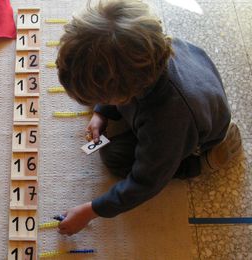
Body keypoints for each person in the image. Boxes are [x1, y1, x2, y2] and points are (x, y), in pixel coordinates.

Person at [55, 0, 243, 236]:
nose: (103, 101)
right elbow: (116, 76)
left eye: (107, 97)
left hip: (194, 134)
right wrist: (102, 111)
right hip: (186, 95)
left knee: (114, 157)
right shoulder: (147, 49)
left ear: (127, 92)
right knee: (113, 122)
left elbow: (145, 183)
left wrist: (92, 210)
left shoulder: (167, 123)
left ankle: (199, 163)